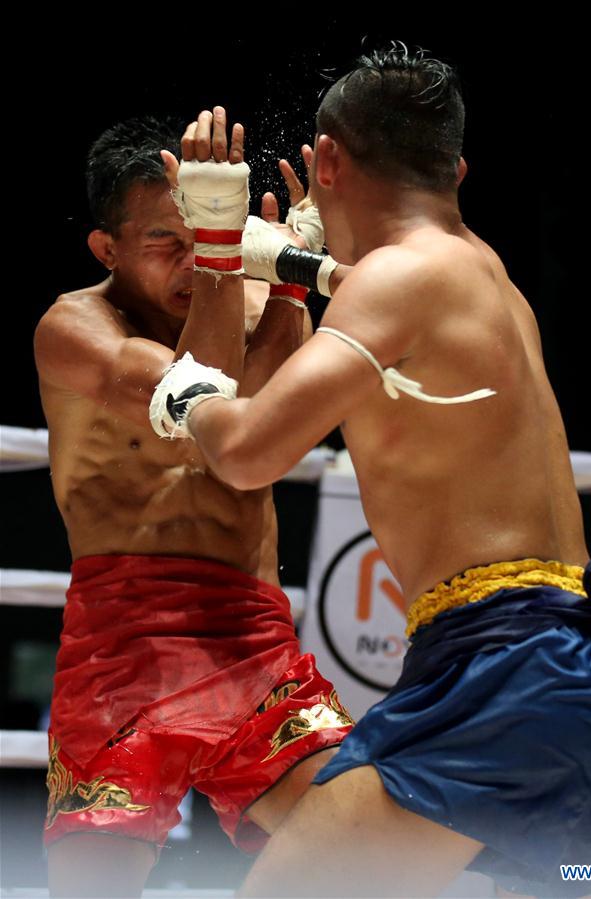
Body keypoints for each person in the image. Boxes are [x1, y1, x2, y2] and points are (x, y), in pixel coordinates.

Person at [150, 51, 591, 899]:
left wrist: (190, 394)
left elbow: (249, 450)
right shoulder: (488, 276)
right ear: (455, 170)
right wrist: (296, 262)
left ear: (329, 161)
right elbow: (357, 291)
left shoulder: (398, 279)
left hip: (501, 679)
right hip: (590, 696)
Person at [34, 108, 353, 898]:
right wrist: (218, 249)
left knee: (355, 838)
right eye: (163, 242)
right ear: (107, 249)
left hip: (249, 632)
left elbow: (263, 438)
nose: (188, 260)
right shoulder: (75, 329)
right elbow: (196, 405)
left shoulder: (241, 301)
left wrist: (287, 280)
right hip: (120, 643)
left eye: (200, 235)